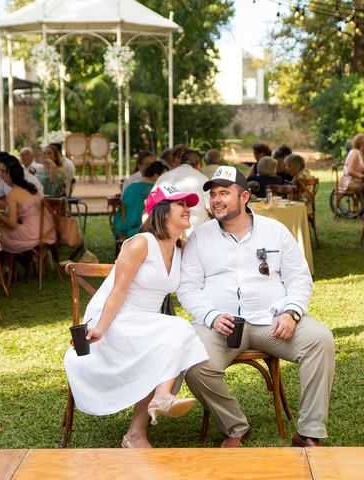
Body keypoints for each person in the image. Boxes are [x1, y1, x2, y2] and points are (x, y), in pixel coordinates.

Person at [178, 166, 335, 448]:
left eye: (224, 193)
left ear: (244, 197)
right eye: (213, 194)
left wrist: (292, 311)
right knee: (192, 362)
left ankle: (309, 432)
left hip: (271, 321)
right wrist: (211, 316)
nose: (216, 200)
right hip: (219, 325)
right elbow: (187, 287)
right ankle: (235, 426)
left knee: (320, 340)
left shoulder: (275, 231)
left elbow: (299, 278)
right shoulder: (200, 237)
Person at [64, 185, 209, 448]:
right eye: (180, 205)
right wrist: (100, 328)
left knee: (175, 342)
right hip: (115, 319)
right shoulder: (140, 243)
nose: (188, 209)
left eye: (188, 204)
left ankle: (136, 433)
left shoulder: (179, 249)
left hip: (146, 323)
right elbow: (118, 291)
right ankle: (162, 397)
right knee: (179, 330)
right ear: (162, 212)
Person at [0, 161, 55, 253]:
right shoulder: (32, 188)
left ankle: (8, 265)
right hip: (47, 229)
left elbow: (12, 224)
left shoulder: (12, 194)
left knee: (1, 232)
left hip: (32, 233)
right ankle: (27, 260)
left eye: (4, 172)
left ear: (10, 175)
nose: (1, 175)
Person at [153, 149, 210, 235]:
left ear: (180, 162)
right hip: (198, 232)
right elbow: (211, 208)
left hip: (168, 231)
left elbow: (152, 202)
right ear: (198, 164)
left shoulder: (164, 177)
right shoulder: (203, 178)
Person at [115, 161, 167, 238]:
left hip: (120, 227)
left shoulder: (130, 186)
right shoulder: (155, 190)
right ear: (156, 176)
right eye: (165, 176)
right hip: (142, 229)